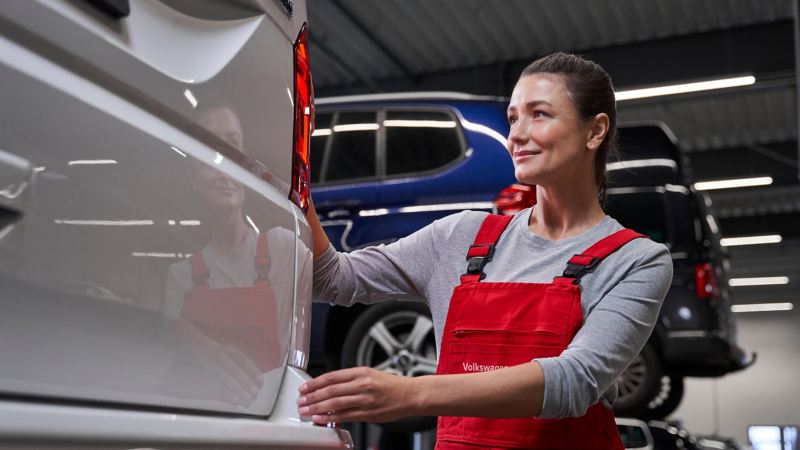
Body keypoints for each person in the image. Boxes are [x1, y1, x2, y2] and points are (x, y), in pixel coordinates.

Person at [298, 53, 673, 449]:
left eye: (539, 114)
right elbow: (332, 279)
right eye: (513, 118)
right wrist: (295, 180)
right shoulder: (461, 237)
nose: (517, 135)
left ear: (594, 131)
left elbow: (573, 380)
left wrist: (411, 394)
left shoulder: (635, 260)